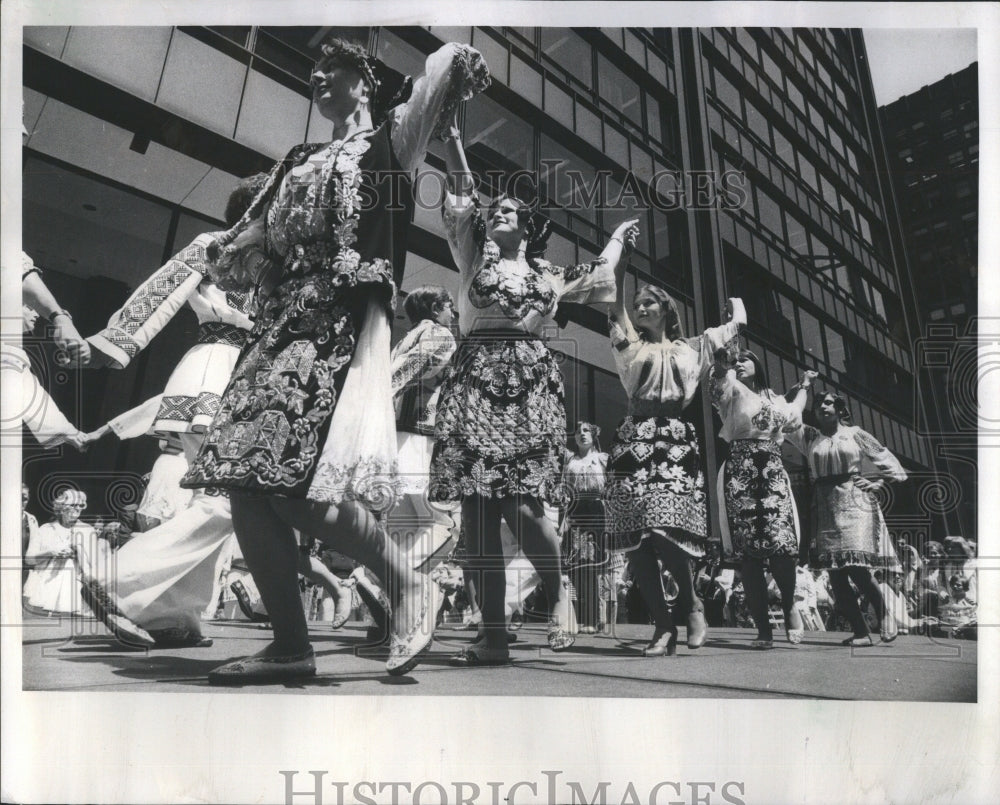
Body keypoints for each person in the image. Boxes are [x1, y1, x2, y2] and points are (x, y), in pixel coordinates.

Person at [180, 38, 490, 683]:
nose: (318, 77)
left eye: (334, 69)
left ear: (365, 81)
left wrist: (454, 50)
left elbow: (439, 73)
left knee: (294, 492)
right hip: (277, 330)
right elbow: (251, 244)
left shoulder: (390, 144)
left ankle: (409, 583)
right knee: (243, 479)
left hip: (335, 328)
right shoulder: (296, 161)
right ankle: (291, 645)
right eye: (314, 71)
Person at [428, 119, 637, 666]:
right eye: (494, 210)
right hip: (473, 380)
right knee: (475, 515)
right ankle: (494, 635)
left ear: (528, 227)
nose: (498, 212)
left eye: (510, 212)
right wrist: (453, 141)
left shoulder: (548, 274)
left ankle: (560, 590)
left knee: (522, 507)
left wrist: (617, 238)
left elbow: (599, 274)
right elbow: (460, 194)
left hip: (527, 388)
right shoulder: (473, 257)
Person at [77, 175, 268, 650]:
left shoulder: (282, 260)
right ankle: (121, 576)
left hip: (239, 375)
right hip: (216, 371)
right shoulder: (216, 244)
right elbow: (161, 289)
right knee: (230, 500)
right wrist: (116, 340)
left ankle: (173, 616)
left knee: (218, 501)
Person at [603, 262, 745, 656]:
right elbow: (615, 309)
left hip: (675, 442)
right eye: (638, 304)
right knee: (637, 543)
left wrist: (737, 307)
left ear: (666, 309)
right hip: (633, 441)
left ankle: (691, 603)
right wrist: (621, 266)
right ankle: (663, 626)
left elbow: (734, 326)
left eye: (649, 303)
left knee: (665, 531)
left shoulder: (693, 348)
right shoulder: (629, 345)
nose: (641, 309)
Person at [709, 348, 817, 648]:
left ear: (758, 364)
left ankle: (789, 605)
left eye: (745, 359)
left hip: (771, 471)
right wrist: (722, 362)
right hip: (740, 471)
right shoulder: (733, 387)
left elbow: (795, 412)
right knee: (747, 554)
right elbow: (716, 383)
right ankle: (763, 629)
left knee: (782, 546)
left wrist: (805, 385)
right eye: (736, 360)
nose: (739, 364)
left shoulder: (776, 400)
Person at [789, 391, 906, 647]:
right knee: (835, 573)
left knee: (856, 565)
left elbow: (891, 464)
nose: (823, 407)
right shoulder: (810, 436)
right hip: (824, 504)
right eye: (818, 404)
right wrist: (802, 388)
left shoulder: (856, 434)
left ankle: (885, 614)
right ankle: (861, 631)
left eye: (829, 403)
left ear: (840, 408)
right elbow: (787, 419)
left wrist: (877, 481)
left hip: (855, 500)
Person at [23, 490, 109, 617]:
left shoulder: (87, 530)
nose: (79, 508)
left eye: (81, 505)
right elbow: (29, 560)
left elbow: (97, 564)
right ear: (62, 507)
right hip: (45, 592)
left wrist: (78, 551)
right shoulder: (46, 529)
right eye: (74, 505)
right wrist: (51, 552)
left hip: (77, 594)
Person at [561, 422, 611, 634]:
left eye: (586, 431)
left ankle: (597, 617)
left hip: (598, 512)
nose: (581, 435)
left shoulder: (603, 459)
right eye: (578, 432)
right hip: (575, 513)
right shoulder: (569, 461)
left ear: (594, 434)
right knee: (578, 567)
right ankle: (582, 617)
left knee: (596, 566)